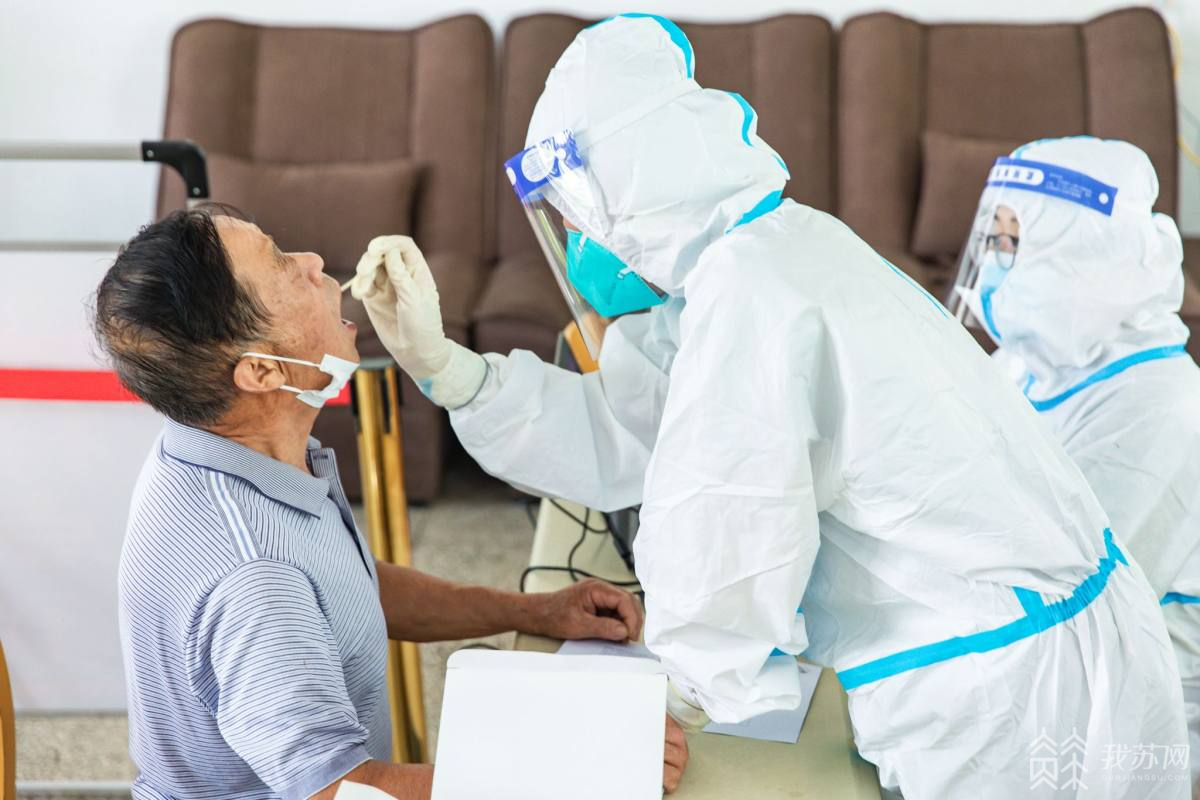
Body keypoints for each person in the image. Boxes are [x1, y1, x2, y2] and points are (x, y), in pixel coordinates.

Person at [353, 15, 1189, 798]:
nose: (578, 246)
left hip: (1006, 696)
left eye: (577, 219)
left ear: (631, 193)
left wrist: (656, 707)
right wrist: (450, 371)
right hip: (1025, 659)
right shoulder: (770, 253)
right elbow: (635, 425)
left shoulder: (755, 293)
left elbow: (724, 539)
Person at [92, 207, 688, 800]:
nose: (312, 262)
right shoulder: (257, 578)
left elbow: (346, 591)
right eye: (281, 267)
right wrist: (583, 767)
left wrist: (532, 613)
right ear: (263, 371)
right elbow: (345, 792)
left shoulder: (214, 449)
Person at [952, 136, 1200, 793]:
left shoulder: (1163, 407)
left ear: (1092, 254)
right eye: (994, 241)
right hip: (1042, 665)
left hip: (1140, 717)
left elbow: (1070, 598)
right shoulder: (1029, 364)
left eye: (1016, 242)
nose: (996, 266)